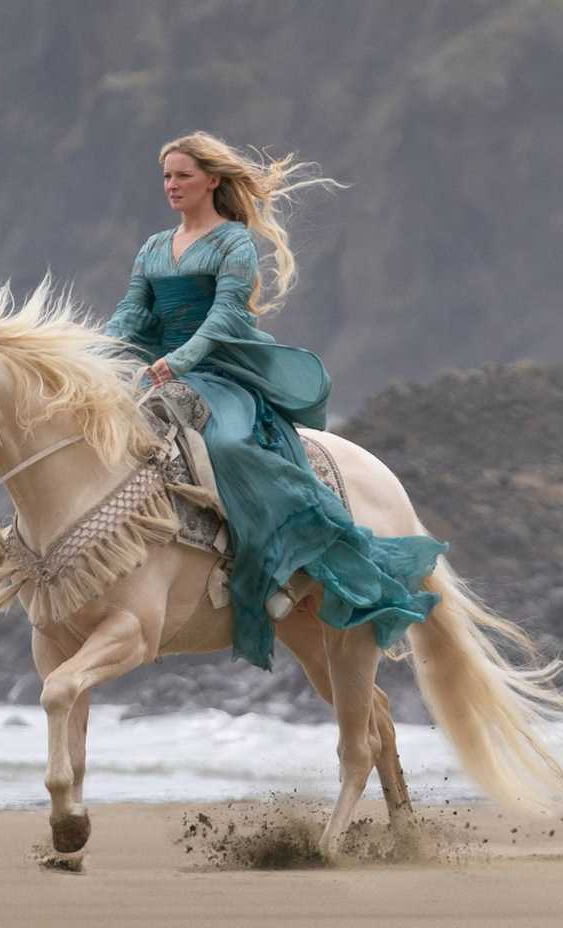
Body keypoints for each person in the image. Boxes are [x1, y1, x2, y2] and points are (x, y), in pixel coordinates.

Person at [104, 131, 446, 670]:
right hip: (158, 372)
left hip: (220, 372)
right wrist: (93, 355)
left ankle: (277, 568)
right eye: (167, 176)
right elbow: (131, 311)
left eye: (183, 175)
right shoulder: (153, 247)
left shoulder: (233, 243)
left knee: (229, 446)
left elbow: (224, 317)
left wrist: (181, 360)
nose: (172, 185)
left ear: (211, 180)